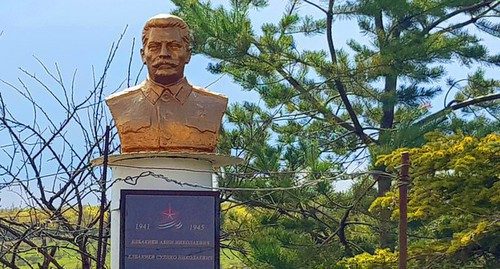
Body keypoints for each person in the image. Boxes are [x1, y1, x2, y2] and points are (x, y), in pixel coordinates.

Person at [106, 14, 228, 153]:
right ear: (143, 55)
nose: (164, 54)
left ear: (188, 55)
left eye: (174, 46)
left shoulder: (213, 104)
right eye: (154, 47)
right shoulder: (121, 104)